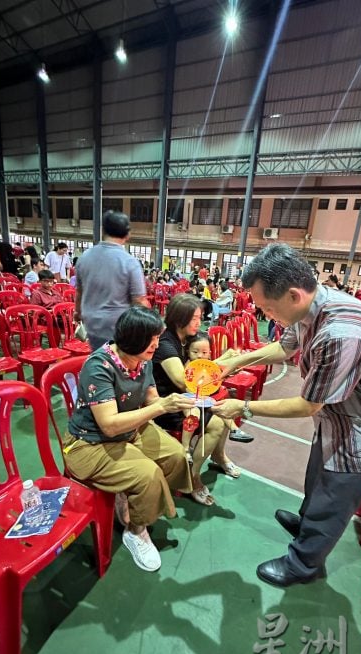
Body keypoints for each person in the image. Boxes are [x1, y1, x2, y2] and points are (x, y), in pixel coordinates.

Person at [213, 243, 361, 587]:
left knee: (334, 495)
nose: (264, 315)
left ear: (293, 294)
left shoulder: (339, 332)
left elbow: (307, 404)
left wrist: (243, 407)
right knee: (316, 476)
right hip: (340, 415)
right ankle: (307, 525)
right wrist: (237, 361)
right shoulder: (312, 304)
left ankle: (303, 564)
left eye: (266, 307)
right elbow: (285, 346)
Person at [63, 306, 195, 572]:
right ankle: (136, 530)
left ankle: (136, 500)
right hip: (90, 443)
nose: (157, 344)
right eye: (152, 339)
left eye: (158, 338)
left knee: (176, 455)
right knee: (148, 474)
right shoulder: (99, 366)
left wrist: (179, 404)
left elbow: (152, 398)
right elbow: (109, 426)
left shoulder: (142, 361)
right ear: (132, 338)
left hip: (130, 430)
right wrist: (160, 407)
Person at [152, 293, 242, 505]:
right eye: (195, 318)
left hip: (191, 398)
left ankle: (219, 456)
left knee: (225, 408)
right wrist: (221, 365)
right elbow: (184, 381)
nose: (199, 323)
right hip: (170, 403)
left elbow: (200, 366)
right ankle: (192, 477)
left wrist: (223, 361)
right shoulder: (166, 344)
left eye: (200, 318)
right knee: (218, 423)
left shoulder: (187, 339)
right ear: (179, 318)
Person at [74, 211, 149, 350]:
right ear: (128, 234)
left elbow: (79, 291)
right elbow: (139, 301)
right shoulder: (129, 262)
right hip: (118, 327)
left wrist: (77, 312)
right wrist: (154, 322)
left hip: (91, 323)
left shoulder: (84, 257)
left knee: (99, 360)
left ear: (103, 230)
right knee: (116, 365)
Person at [179, 332, 253, 464]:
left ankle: (235, 430)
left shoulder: (209, 367)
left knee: (221, 407)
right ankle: (185, 448)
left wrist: (227, 374)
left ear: (209, 353)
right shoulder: (188, 366)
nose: (200, 356)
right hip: (189, 400)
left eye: (204, 352)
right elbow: (186, 384)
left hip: (205, 399)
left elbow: (214, 380)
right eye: (195, 352)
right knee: (193, 414)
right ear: (188, 351)